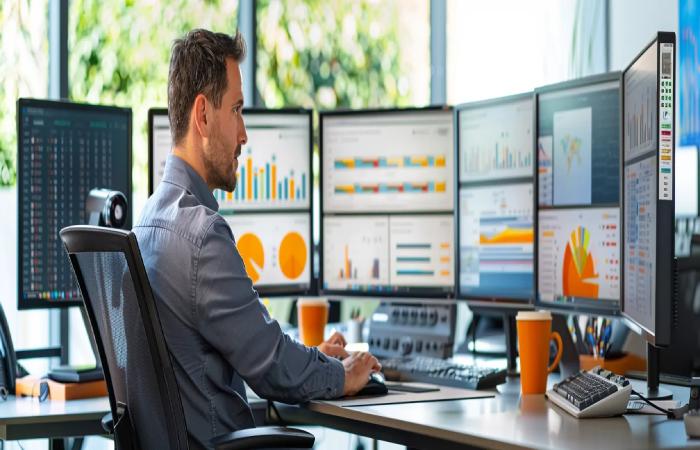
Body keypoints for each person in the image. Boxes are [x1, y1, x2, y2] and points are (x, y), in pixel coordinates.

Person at [134, 29, 380, 448]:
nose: (244, 133)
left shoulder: (147, 223)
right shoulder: (202, 235)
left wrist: (312, 359)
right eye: (237, 110)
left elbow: (248, 350)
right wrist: (343, 374)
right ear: (203, 116)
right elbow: (271, 368)